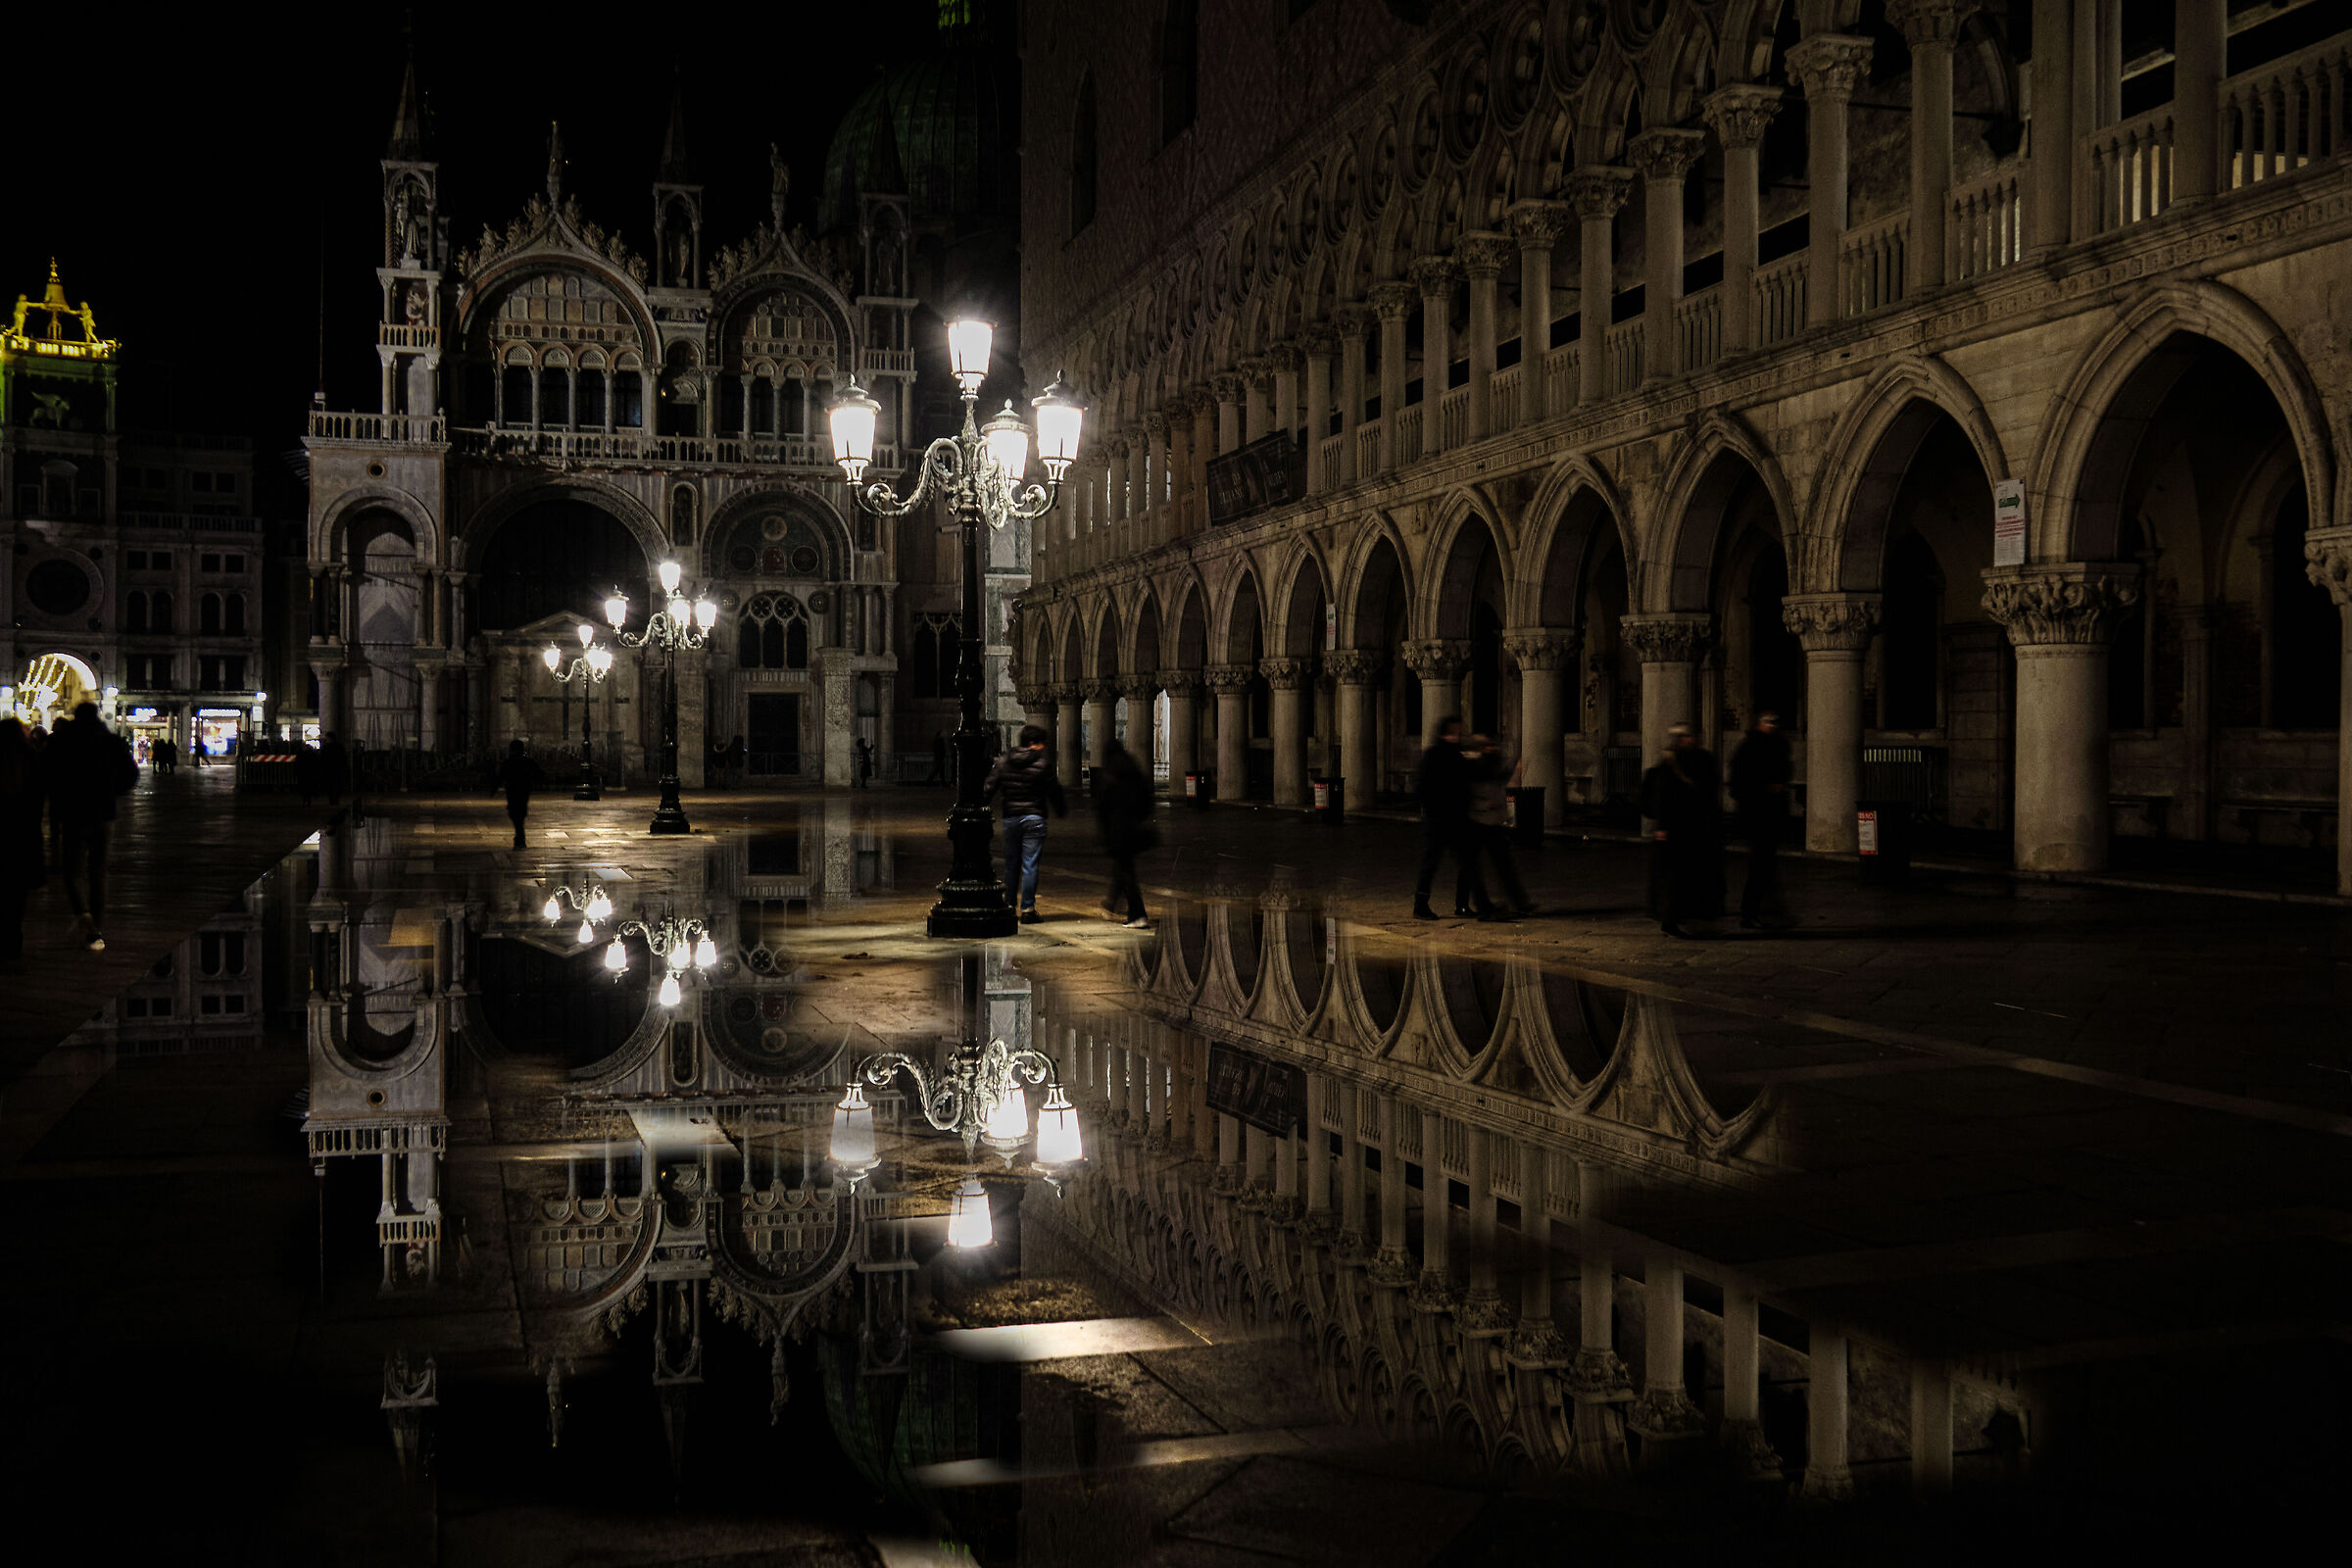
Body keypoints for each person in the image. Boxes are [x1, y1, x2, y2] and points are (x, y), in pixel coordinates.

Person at [47, 702, 137, 953]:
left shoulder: (62, 741)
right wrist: (111, 792)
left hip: (73, 813)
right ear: (97, 716)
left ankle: (82, 913)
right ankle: (96, 928)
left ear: (75, 716)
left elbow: (46, 773)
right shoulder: (111, 742)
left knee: (71, 871)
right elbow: (131, 774)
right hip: (104, 814)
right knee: (98, 873)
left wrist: (60, 797)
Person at [1640, 723, 1726, 938]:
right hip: (1678, 829)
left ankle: (1692, 917)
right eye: (1686, 737)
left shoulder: (1702, 759)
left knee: (1695, 875)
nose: (1691, 739)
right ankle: (1671, 918)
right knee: (1676, 877)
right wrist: (1663, 826)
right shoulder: (1670, 763)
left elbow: (1709, 792)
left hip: (1697, 827)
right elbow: (1663, 795)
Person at [985, 723, 1065, 924]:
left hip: (1011, 817)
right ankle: (1028, 909)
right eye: (1042, 744)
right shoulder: (1042, 763)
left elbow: (989, 786)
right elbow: (1053, 789)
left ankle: (1009, 905)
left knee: (1011, 864)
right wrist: (1060, 808)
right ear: (1032, 743)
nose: (1045, 747)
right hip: (1034, 817)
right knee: (1030, 865)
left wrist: (982, 804)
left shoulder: (1004, 761)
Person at [1411, 717, 1489, 920]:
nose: (1458, 736)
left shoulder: (1458, 755)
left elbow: (1470, 778)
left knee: (1468, 863)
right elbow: (1422, 786)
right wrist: (1434, 810)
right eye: (1455, 732)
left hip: (1457, 818)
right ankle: (1421, 905)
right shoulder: (1434, 755)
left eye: (1459, 733)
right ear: (1444, 733)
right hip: (1439, 819)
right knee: (1432, 863)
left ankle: (1467, 904)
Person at [1728, 710, 1794, 930]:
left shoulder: (1778, 746)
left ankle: (1762, 911)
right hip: (1756, 815)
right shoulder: (1750, 748)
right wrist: (1767, 788)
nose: (1773, 727)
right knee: (1761, 866)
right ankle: (1750, 914)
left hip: (1769, 814)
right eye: (1769, 723)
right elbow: (1739, 783)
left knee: (1765, 865)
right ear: (1760, 724)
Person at [1463, 735, 1533, 918]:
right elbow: (1470, 791)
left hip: (1493, 821)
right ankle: (1479, 904)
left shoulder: (1492, 762)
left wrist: (1516, 770)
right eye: (1487, 745)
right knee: (1473, 866)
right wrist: (1484, 804)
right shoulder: (1473, 765)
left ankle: (1519, 901)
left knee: (1503, 863)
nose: (1491, 748)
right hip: (1476, 821)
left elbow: (1500, 781)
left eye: (1492, 744)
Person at [1094, 738, 1155, 929]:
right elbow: (1147, 800)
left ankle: (1138, 914)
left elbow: (1103, 806)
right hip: (1131, 827)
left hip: (1118, 829)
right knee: (1123, 868)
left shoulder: (1111, 774)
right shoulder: (1132, 768)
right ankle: (1111, 903)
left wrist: (1105, 832)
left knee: (1126, 871)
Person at [0, 718, 45, 968]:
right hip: (22, 835)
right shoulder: (30, 757)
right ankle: (12, 944)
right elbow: (40, 795)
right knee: (16, 894)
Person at [497, 740, 550, 850]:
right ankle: (520, 836)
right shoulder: (527, 761)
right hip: (524, 789)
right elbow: (540, 773)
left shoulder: (509, 761)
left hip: (512, 789)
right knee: (519, 812)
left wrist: (494, 788)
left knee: (515, 813)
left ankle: (520, 837)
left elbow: (501, 776)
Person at [318, 732, 349, 807]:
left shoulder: (326, 747)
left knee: (331, 786)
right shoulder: (339, 747)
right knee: (337, 785)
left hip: (329, 769)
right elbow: (343, 758)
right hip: (337, 769)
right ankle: (335, 799)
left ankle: (332, 800)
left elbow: (322, 758)